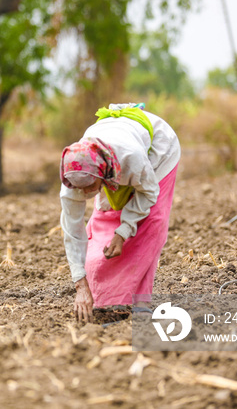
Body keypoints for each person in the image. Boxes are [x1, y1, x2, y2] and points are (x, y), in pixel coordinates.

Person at [59, 103, 181, 322]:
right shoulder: (74, 175)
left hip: (159, 151)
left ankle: (141, 301)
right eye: (80, 189)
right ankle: (103, 295)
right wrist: (80, 285)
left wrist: (123, 231)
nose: (85, 193)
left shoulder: (131, 158)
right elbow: (72, 231)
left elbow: (149, 193)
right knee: (105, 216)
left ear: (102, 173)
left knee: (151, 220)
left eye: (90, 186)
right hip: (114, 156)